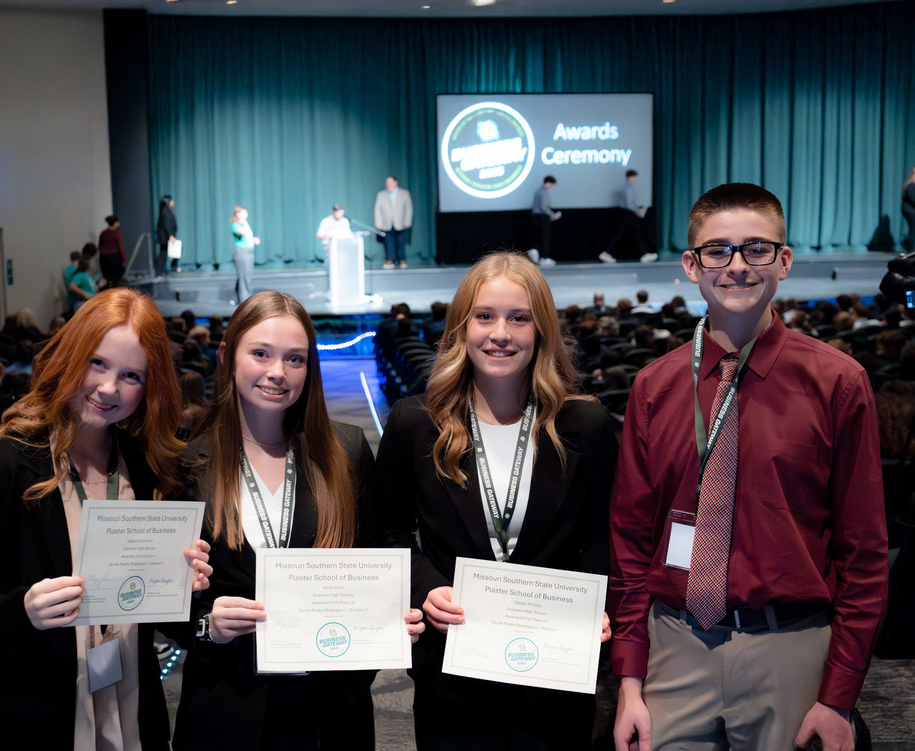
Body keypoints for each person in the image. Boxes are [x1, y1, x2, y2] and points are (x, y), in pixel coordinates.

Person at [609, 183, 888, 751]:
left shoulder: (839, 383)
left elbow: (864, 555)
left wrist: (838, 698)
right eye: (718, 251)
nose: (737, 266)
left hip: (790, 653)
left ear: (784, 260)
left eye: (756, 248)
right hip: (674, 648)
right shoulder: (654, 387)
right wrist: (630, 681)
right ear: (691, 265)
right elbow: (630, 544)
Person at [0, 287, 212, 750]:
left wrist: (181, 581)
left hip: (130, 705)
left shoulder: (144, 467)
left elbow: (148, 606)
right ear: (70, 355)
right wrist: (20, 609)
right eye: (98, 363)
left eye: (131, 375)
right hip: (35, 714)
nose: (108, 388)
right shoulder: (5, 465)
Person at [379, 252, 618, 749]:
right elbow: (389, 531)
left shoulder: (587, 426)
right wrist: (427, 588)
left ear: (542, 330)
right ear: (461, 327)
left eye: (519, 318)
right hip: (452, 669)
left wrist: (594, 602)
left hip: (552, 673)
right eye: (484, 316)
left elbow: (601, 534)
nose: (500, 333)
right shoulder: (413, 423)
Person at [170, 290, 423, 749]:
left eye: (295, 359)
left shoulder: (346, 452)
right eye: (260, 353)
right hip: (227, 709)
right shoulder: (186, 460)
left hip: (329, 712)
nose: (277, 373)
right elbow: (164, 606)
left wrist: (385, 619)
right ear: (227, 355)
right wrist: (208, 624)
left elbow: (377, 557)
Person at [599, 170, 658, 264]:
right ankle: (644, 254)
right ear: (631, 177)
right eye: (635, 177)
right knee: (636, 233)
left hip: (626, 213)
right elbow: (629, 204)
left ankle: (606, 253)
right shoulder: (628, 188)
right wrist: (639, 211)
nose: (636, 179)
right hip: (627, 214)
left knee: (621, 234)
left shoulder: (626, 187)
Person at [374, 175, 413, 269]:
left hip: (400, 222)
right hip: (387, 223)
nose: (387, 184)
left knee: (401, 242)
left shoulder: (404, 193)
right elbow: (377, 209)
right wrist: (378, 223)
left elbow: (409, 208)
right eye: (386, 182)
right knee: (388, 242)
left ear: (395, 183)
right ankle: (390, 259)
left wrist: (407, 221)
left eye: (389, 182)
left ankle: (402, 259)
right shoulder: (381, 194)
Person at [230, 205, 261, 304]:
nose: (246, 214)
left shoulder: (244, 223)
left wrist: (253, 239)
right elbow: (242, 233)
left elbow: (247, 237)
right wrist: (244, 224)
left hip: (249, 252)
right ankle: (244, 300)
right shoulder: (236, 224)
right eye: (244, 212)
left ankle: (239, 297)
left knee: (246, 275)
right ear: (238, 214)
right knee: (244, 275)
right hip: (242, 252)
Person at [530, 175, 561, 267]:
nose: (551, 187)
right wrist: (553, 214)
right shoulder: (543, 192)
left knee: (541, 236)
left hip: (537, 216)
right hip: (542, 216)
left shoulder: (538, 190)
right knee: (545, 237)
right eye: (551, 185)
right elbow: (543, 207)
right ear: (548, 182)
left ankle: (539, 253)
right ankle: (543, 256)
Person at [98, 214, 127, 285]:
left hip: (103, 257)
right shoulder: (117, 234)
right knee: (116, 277)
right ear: (115, 223)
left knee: (107, 276)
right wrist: (124, 259)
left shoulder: (103, 233)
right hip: (114, 257)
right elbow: (120, 248)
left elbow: (100, 245)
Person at [157, 194, 179, 274]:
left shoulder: (166, 211)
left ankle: (162, 270)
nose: (173, 202)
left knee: (165, 254)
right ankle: (159, 272)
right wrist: (170, 235)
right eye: (172, 200)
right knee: (163, 254)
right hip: (165, 238)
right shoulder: (166, 212)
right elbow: (167, 224)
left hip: (166, 237)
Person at [903, 167, 915, 253]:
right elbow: (913, 198)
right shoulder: (910, 185)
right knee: (913, 229)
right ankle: (910, 250)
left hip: (910, 211)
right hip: (910, 211)